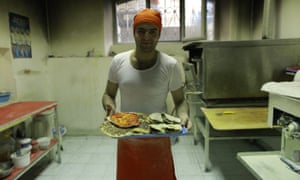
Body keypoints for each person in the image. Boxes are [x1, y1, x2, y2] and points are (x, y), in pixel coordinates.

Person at [102, 8, 191, 180]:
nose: (146, 37)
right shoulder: (118, 62)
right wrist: (109, 105)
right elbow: (108, 94)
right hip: (128, 138)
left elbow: (180, 101)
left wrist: (184, 115)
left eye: (152, 31)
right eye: (141, 31)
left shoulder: (170, 65)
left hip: (158, 139)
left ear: (159, 34)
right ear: (134, 32)